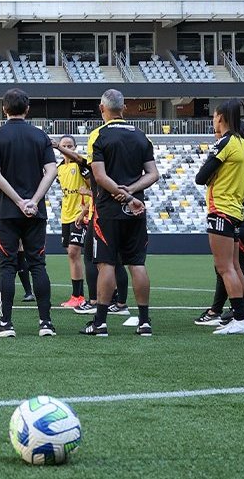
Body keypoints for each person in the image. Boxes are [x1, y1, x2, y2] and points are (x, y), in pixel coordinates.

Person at [80, 89, 159, 338]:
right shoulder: (140, 135)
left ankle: (101, 323)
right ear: (124, 108)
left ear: (102, 108)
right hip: (136, 208)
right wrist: (132, 193)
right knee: (137, 263)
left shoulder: (98, 135)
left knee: (107, 264)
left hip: (108, 209)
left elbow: (100, 176)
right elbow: (153, 174)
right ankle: (144, 322)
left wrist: (122, 194)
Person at [0, 88, 58, 338]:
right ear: (27, 109)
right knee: (37, 264)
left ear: (4, 109)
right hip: (35, 212)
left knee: (7, 266)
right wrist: (33, 201)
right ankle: (46, 323)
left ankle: (6, 323)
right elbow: (52, 171)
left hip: (6, 211)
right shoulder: (40, 136)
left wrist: (17, 200)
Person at [194, 98, 244, 336]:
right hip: (236, 210)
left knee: (224, 266)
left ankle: (239, 318)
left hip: (221, 208)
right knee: (235, 265)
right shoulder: (243, 146)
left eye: (213, 117)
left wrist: (211, 178)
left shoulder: (225, 143)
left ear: (220, 117)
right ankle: (243, 316)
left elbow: (201, 177)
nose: (213, 122)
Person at [53, 135, 92, 309]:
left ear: (75, 147)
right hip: (66, 216)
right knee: (71, 254)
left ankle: (80, 296)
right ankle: (76, 295)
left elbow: (96, 190)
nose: (67, 148)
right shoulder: (59, 168)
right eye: (64, 145)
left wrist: (84, 210)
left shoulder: (81, 166)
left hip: (81, 215)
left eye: (70, 145)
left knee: (74, 252)